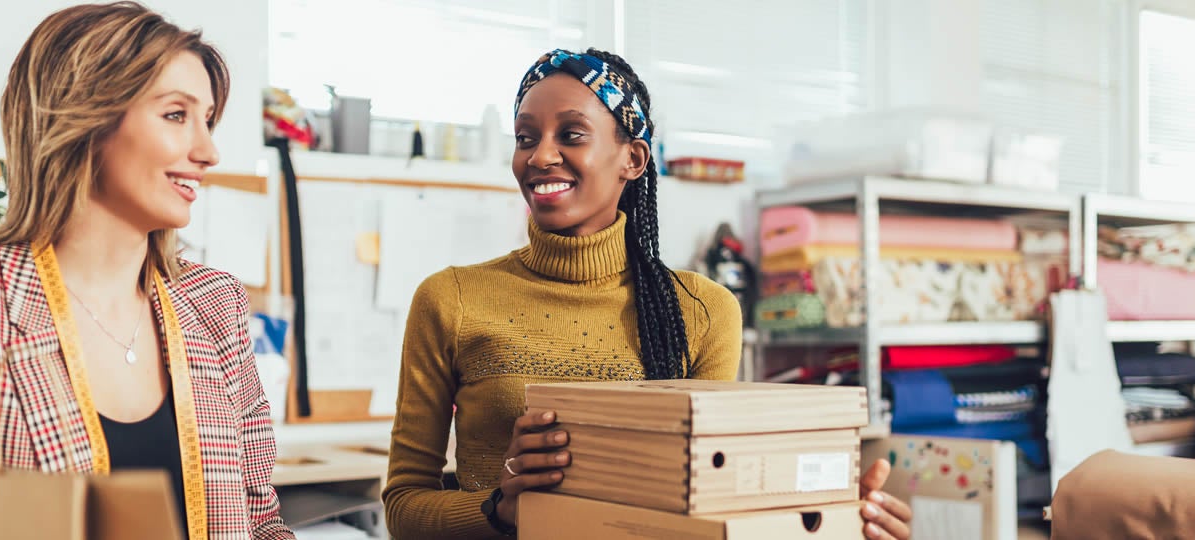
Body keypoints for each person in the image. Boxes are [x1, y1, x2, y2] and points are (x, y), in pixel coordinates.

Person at [383, 48, 913, 540]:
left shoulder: (701, 311)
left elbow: (711, 503)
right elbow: (403, 508)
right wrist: (499, 508)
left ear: (633, 159)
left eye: (571, 134)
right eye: (525, 137)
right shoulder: (451, 298)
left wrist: (834, 517)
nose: (540, 156)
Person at [0, 3, 294, 539]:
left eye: (208, 120)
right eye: (176, 115)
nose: (208, 151)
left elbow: (262, 522)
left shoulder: (214, 303)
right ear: (88, 117)